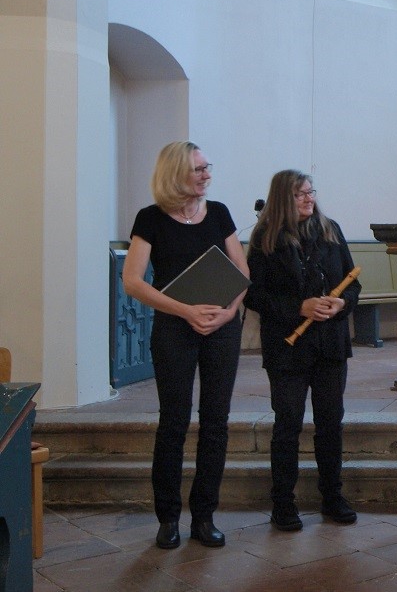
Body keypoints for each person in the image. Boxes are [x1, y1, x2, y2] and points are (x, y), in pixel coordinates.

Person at [122, 141, 248, 550]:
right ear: (176, 172)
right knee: (173, 423)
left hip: (222, 328)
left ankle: (205, 516)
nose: (207, 175)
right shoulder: (150, 219)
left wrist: (229, 312)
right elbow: (134, 281)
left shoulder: (221, 213)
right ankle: (168, 519)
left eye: (207, 167)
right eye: (198, 169)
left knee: (216, 422)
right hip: (175, 328)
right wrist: (184, 310)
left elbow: (242, 271)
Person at [245, 171, 362, 532]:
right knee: (288, 424)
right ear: (283, 198)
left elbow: (353, 284)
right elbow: (253, 294)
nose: (309, 199)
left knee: (330, 423)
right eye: (300, 195)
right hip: (287, 346)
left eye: (311, 192)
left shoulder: (330, 229)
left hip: (329, 344)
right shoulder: (265, 238)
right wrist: (300, 307)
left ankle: (332, 496)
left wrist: (340, 303)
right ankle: (283, 502)